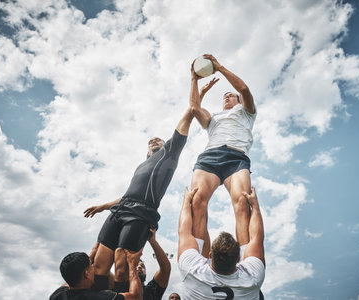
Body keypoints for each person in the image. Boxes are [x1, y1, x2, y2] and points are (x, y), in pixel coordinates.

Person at [83, 70, 219, 292]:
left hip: (141, 214)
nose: (154, 140)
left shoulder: (169, 155)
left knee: (121, 267)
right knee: (98, 266)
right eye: (150, 141)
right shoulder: (141, 166)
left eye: (158, 139)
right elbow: (128, 194)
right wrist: (103, 206)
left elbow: (189, 115)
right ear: (147, 151)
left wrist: (197, 94)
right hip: (119, 210)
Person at [189, 54, 257, 254]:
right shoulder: (213, 117)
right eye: (224, 96)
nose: (227, 96)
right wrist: (194, 79)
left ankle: (246, 259)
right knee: (197, 202)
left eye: (231, 95)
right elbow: (194, 108)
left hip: (236, 160)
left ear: (238, 101)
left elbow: (243, 89)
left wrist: (219, 67)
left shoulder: (246, 112)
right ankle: (201, 261)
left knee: (243, 203)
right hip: (210, 158)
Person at [177, 186, 265, 299]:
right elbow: (256, 237)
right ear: (238, 258)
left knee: (198, 205)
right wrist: (255, 207)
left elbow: (184, 231)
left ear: (210, 256)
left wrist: (186, 202)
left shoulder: (192, 270)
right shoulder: (253, 278)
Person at [49, 247, 143, 300]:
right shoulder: (98, 297)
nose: (94, 267)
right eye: (91, 266)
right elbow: (136, 297)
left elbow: (71, 274)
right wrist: (132, 265)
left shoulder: (57, 296)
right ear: (86, 274)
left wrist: (92, 253)